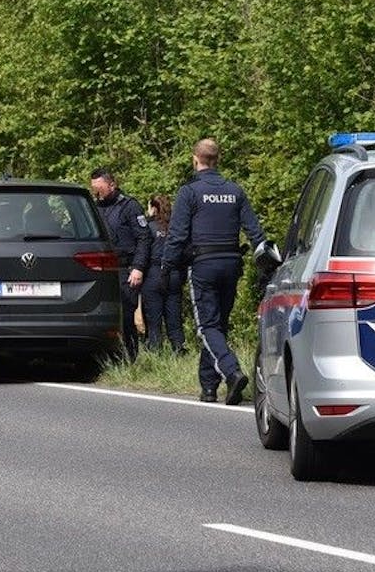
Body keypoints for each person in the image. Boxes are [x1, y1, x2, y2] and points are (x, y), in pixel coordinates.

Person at [164, 138, 276, 404]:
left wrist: (167, 266)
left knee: (206, 326)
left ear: (195, 158)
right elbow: (255, 233)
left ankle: (232, 371)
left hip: (203, 264)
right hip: (231, 264)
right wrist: (267, 264)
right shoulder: (235, 191)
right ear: (218, 159)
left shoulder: (189, 192)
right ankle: (209, 386)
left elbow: (177, 235)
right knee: (217, 324)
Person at [89, 168, 151, 361]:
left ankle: (130, 358)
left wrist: (138, 267)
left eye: (99, 189)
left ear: (112, 185)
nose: (96, 194)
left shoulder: (129, 206)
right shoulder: (94, 208)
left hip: (126, 269)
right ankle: (104, 358)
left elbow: (144, 238)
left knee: (125, 316)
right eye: (93, 189)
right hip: (102, 270)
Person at [141, 194, 186, 354]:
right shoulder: (176, 227)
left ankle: (155, 352)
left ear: (153, 207)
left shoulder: (148, 226)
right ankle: (179, 350)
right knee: (174, 318)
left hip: (153, 274)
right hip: (174, 274)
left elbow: (143, 251)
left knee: (154, 320)